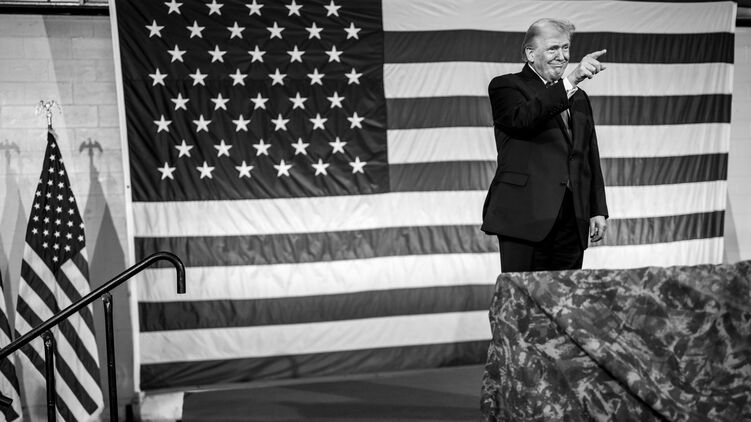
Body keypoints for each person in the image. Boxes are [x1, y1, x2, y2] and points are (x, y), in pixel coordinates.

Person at [481, 18, 609, 272]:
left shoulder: (579, 97)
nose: (562, 56)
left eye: (565, 48)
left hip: (572, 218)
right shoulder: (506, 86)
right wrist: (570, 82)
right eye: (553, 49)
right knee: (524, 294)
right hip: (524, 217)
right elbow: (524, 119)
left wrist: (597, 209)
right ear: (531, 54)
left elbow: (588, 154)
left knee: (566, 295)